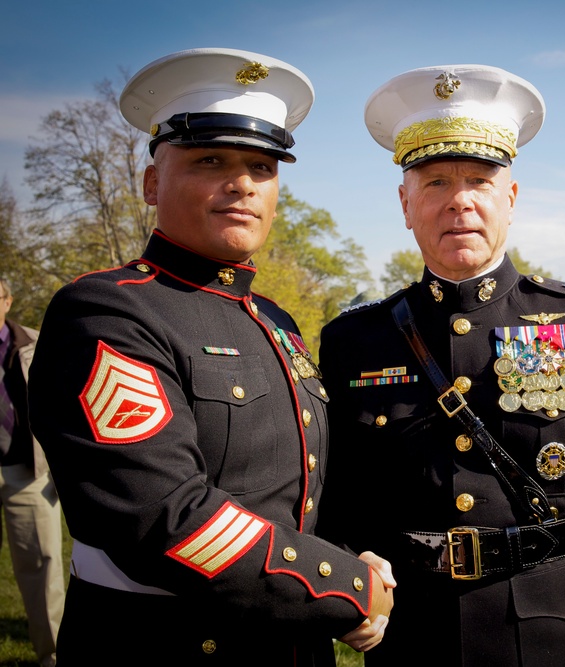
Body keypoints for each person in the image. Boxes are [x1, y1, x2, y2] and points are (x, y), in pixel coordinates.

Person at [318, 64, 565, 666]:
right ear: (405, 203)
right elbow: (339, 499)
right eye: (435, 182)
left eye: (479, 180)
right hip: (415, 639)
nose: (459, 201)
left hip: (560, 637)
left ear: (511, 199)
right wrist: (350, 562)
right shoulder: (353, 341)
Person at [27, 48, 393, 664]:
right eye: (210, 160)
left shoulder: (274, 320)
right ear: (151, 182)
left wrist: (356, 552)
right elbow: (166, 516)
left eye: (262, 165)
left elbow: (294, 485)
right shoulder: (107, 313)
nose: (243, 182)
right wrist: (349, 586)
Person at [0, 278, 64, 667]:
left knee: (42, 564)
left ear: (7, 300)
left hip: (28, 471)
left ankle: (53, 656)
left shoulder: (35, 343)